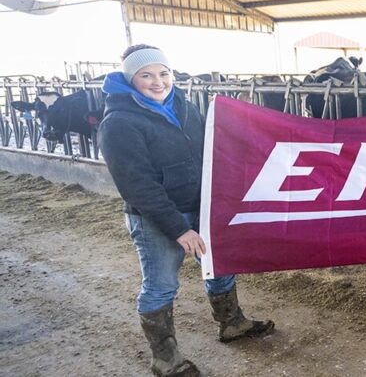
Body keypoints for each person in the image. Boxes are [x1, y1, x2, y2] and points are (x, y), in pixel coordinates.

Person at [98, 44, 274, 377]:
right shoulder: (119, 123)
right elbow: (138, 186)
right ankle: (166, 359)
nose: (157, 81)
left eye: (163, 73)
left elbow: (210, 148)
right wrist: (179, 229)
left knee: (218, 265)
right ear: (130, 78)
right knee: (161, 284)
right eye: (146, 75)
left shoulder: (183, 104)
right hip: (155, 217)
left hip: (201, 207)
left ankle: (232, 323)